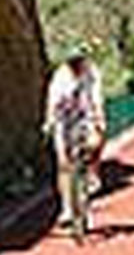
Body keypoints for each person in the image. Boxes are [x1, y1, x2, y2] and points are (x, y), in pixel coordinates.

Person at [45, 44, 106, 226]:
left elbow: (97, 98)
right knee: (63, 163)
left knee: (97, 139)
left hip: (84, 114)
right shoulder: (60, 78)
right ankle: (66, 208)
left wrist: (99, 119)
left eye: (79, 61)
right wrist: (49, 121)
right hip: (64, 118)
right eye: (73, 62)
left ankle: (93, 172)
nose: (76, 66)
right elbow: (52, 103)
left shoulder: (92, 74)